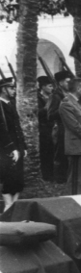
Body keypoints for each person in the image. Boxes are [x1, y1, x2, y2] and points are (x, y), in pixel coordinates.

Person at [0, 73, 25, 206]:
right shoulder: (0, 106)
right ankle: (8, 208)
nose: (14, 90)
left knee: (19, 180)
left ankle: (14, 208)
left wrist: (23, 146)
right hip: (6, 149)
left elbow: (17, 126)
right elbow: (2, 130)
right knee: (9, 179)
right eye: (11, 88)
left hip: (17, 147)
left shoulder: (10, 104)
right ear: (4, 89)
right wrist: (12, 148)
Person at [36, 75, 54, 181]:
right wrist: (47, 107)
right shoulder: (37, 98)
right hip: (43, 129)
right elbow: (36, 113)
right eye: (49, 86)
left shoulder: (53, 97)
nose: (51, 88)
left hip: (52, 127)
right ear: (43, 87)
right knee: (45, 153)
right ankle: (46, 175)